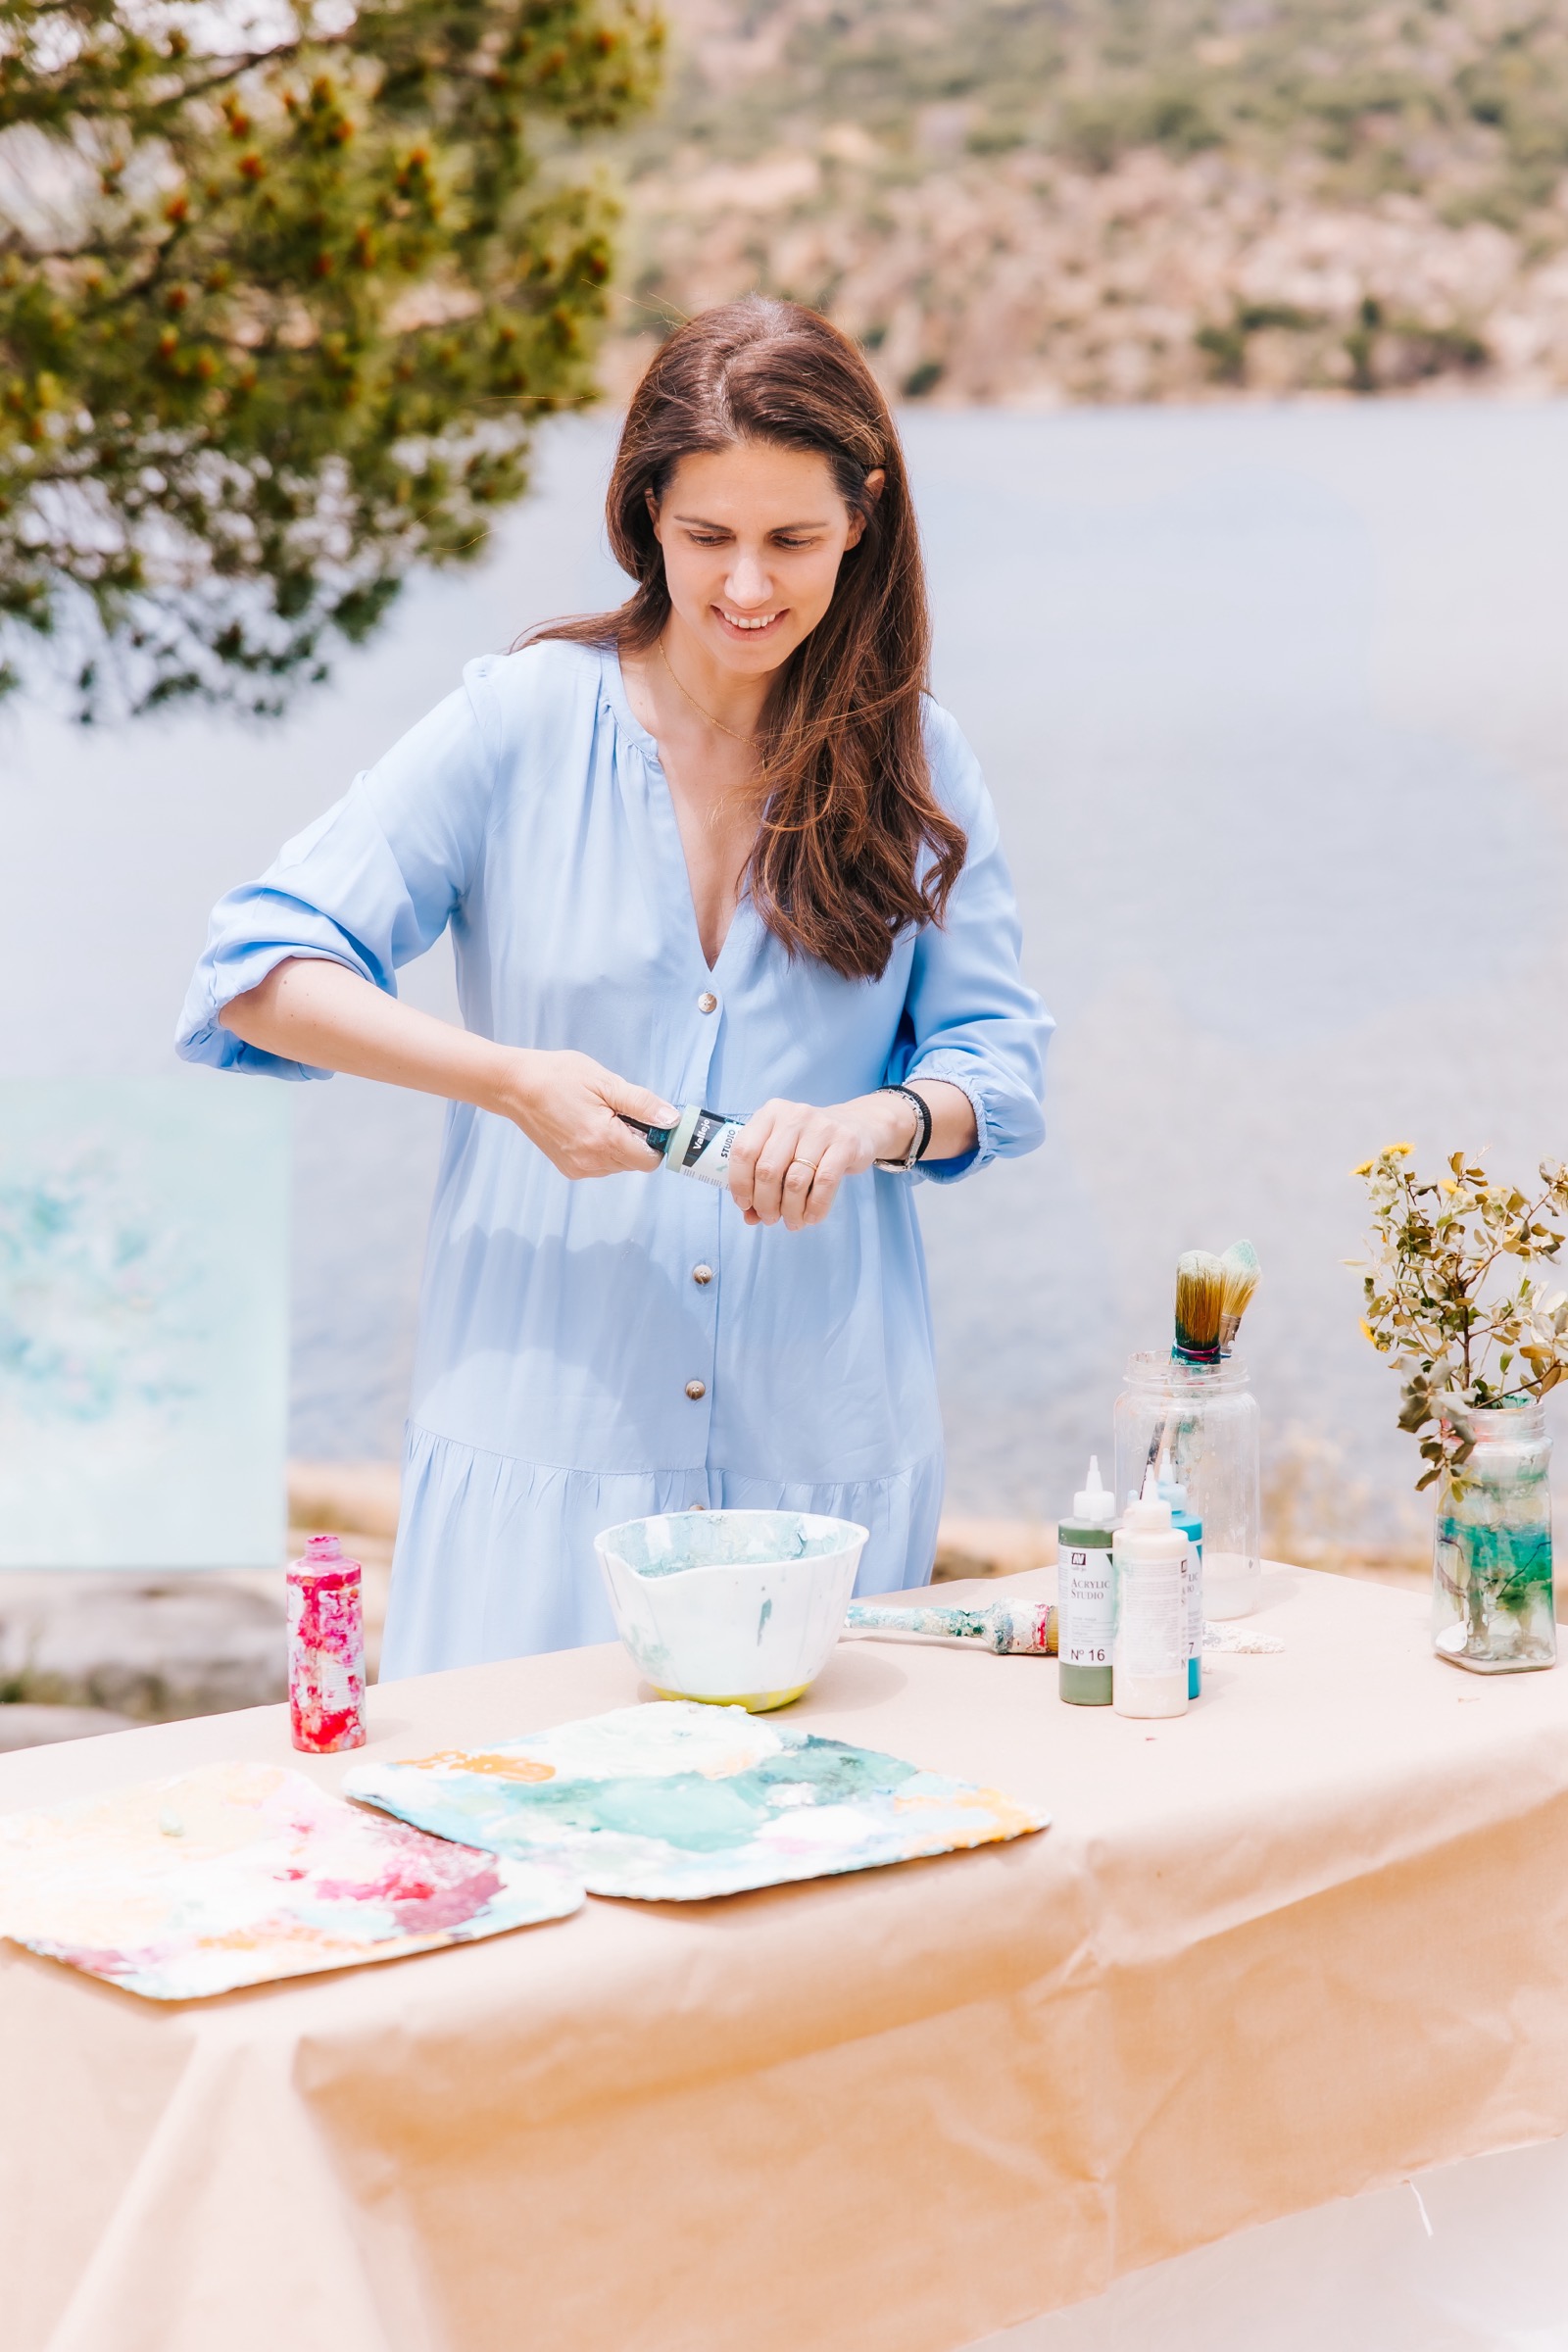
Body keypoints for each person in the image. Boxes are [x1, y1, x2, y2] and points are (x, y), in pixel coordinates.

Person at [177, 297, 1052, 1677]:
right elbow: (255, 972)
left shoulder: (920, 763)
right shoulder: (518, 722)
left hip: (822, 1464)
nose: (748, 587)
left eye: (792, 540)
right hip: (543, 1453)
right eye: (708, 538)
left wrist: (876, 1123)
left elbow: (997, 1063)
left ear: (865, 516)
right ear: (645, 515)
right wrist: (508, 1079)